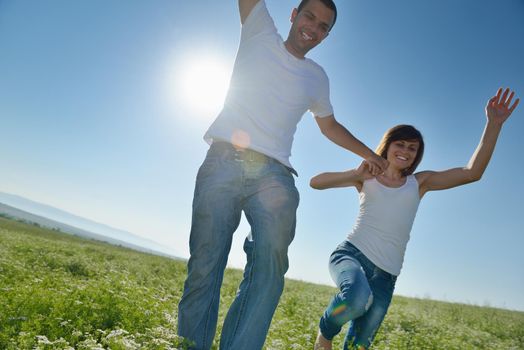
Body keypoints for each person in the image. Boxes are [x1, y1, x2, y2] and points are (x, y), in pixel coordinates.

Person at [177, 0, 388, 349]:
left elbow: (329, 126)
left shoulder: (317, 77)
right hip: (224, 159)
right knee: (205, 264)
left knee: (268, 273)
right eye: (309, 16)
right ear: (293, 14)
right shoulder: (260, 30)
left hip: (274, 177)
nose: (314, 28)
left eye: (324, 27)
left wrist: (370, 154)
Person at [311, 88, 519, 350]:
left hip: (387, 275)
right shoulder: (366, 175)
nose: (406, 151)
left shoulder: (420, 183)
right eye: (400, 144)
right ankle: (325, 334)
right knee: (355, 298)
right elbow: (315, 183)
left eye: (412, 148)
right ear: (388, 145)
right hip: (352, 254)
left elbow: (472, 173)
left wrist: (493, 124)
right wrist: (354, 172)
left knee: (359, 346)